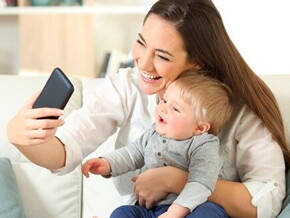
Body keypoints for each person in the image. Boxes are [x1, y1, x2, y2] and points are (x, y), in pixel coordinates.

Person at [7, 0, 289, 217]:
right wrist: (22, 137)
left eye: (163, 56)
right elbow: (68, 149)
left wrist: (176, 180)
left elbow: (267, 198)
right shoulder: (127, 87)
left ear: (198, 63)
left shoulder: (237, 106)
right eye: (141, 42)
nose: (142, 64)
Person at [82, 71, 233, 218]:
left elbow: (201, 183)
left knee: (210, 213)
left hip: (190, 209)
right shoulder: (154, 132)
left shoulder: (204, 145)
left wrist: (173, 213)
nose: (163, 108)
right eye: (164, 100)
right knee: (123, 213)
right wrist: (107, 163)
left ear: (199, 128)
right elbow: (133, 153)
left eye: (175, 108)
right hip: (151, 209)